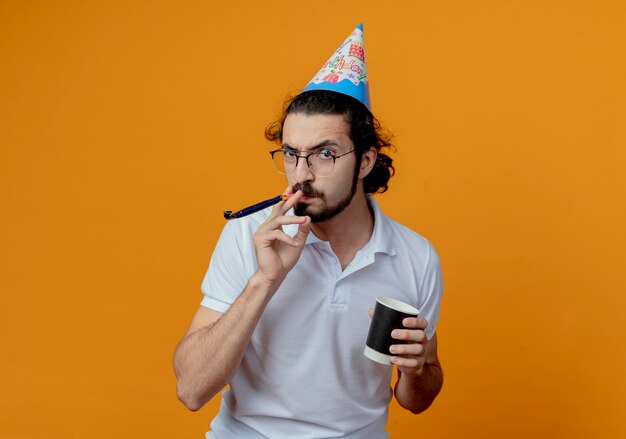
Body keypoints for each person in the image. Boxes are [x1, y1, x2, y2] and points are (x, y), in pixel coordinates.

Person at [174, 24, 443, 438]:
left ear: (367, 161)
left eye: (325, 154)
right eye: (291, 154)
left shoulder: (416, 257)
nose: (302, 174)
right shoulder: (250, 236)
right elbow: (191, 390)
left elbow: (417, 399)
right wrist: (266, 279)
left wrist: (416, 368)